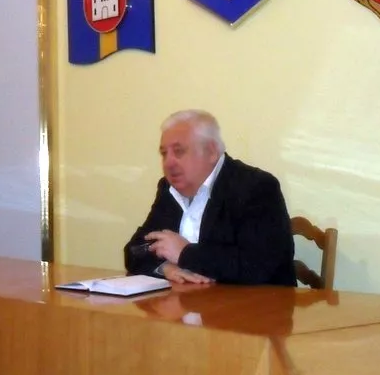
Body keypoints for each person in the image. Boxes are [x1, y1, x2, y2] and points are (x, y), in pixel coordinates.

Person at [123, 109, 297, 286]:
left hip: (258, 302)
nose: (168, 162)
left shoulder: (256, 187)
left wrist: (184, 253)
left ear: (211, 151)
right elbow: (134, 250)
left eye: (179, 151)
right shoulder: (168, 189)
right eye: (164, 153)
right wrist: (166, 268)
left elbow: (258, 266)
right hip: (189, 299)